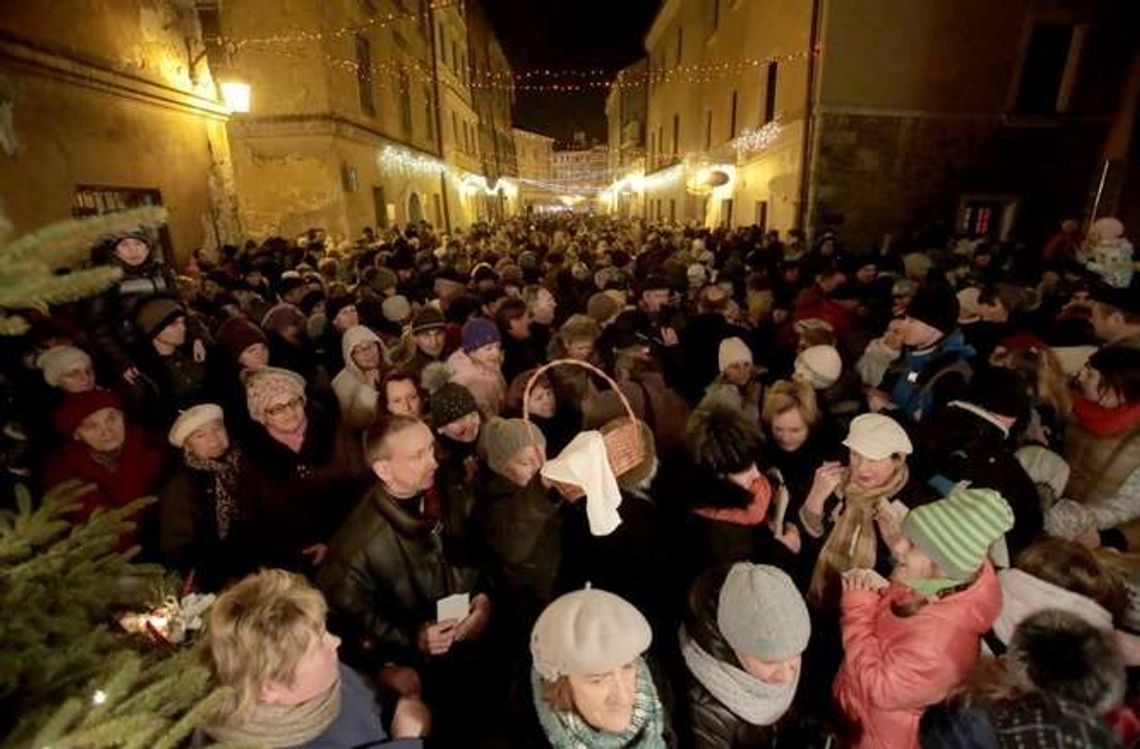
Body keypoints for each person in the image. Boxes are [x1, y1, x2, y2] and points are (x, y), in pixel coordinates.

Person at [316, 415, 491, 740]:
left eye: (430, 449)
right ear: (383, 470)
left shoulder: (448, 489)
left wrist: (481, 597)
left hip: (471, 653)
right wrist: (415, 637)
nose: (433, 462)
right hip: (424, 679)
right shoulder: (356, 548)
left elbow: (475, 552)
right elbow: (347, 628)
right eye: (417, 456)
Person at [833, 488, 1013, 749]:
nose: (898, 547)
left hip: (876, 736)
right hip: (857, 708)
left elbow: (880, 689)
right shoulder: (936, 587)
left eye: (913, 545)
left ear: (942, 567)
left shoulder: (937, 645)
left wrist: (858, 610)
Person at [202, 569, 428, 748]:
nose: (335, 641)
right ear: (269, 687)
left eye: (323, 631)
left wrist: (382, 675)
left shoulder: (300, 668)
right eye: (319, 643)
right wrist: (406, 740)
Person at [239, 367, 369, 572]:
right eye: (277, 409)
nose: (290, 413)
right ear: (261, 416)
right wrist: (294, 554)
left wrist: (331, 540)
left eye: (293, 403)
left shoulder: (334, 433)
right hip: (291, 562)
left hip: (349, 546)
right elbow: (255, 521)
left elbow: (362, 489)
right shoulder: (253, 457)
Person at [910, 366, 1043, 557]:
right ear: (1013, 416)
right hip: (953, 562)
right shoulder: (1009, 476)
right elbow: (1025, 536)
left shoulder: (921, 429)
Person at [681, 564, 812, 749]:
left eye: (795, 655)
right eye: (769, 661)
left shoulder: (784, 650)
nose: (788, 676)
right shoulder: (705, 711)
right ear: (735, 645)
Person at [524, 586, 673, 749]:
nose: (623, 697)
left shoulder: (660, 700)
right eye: (598, 680)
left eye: (628, 668)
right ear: (560, 685)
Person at [801, 413, 921, 609]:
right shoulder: (834, 481)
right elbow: (805, 547)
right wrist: (814, 500)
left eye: (873, 460)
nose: (861, 468)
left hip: (871, 611)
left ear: (897, 460)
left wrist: (895, 542)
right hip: (821, 597)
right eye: (855, 455)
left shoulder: (915, 505)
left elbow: (919, 584)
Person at [44, 388, 167, 548]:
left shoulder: (154, 449)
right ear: (77, 434)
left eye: (112, 419)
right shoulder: (63, 471)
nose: (107, 431)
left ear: (122, 417)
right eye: (92, 426)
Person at [158, 403, 245, 589]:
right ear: (188, 447)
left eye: (217, 429)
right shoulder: (182, 485)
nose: (214, 439)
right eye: (200, 435)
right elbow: (178, 546)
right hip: (212, 576)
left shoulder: (242, 462)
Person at [867, 282, 975, 424]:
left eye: (911, 321)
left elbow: (931, 436)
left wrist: (887, 412)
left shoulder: (952, 376)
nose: (903, 326)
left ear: (935, 328)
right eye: (905, 318)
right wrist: (878, 394)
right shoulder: (912, 355)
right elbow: (889, 383)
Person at [1065, 345, 1140, 504]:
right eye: (1084, 369)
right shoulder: (1077, 408)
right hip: (1062, 509)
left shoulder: (1135, 436)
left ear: (1117, 385)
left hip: (1104, 523)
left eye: (1090, 374)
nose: (1080, 377)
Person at [760, 380, 840, 526]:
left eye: (795, 430)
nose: (785, 438)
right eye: (778, 429)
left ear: (809, 425)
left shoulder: (828, 455)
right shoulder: (762, 450)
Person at [446, 318, 506, 418]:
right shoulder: (473, 381)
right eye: (488, 348)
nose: (496, 353)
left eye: (497, 346)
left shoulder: (485, 363)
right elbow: (490, 419)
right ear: (472, 351)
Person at [332, 325, 385, 430]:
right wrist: (368, 389)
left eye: (369, 346)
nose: (367, 354)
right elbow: (356, 423)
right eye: (358, 351)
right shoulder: (341, 384)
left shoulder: (390, 366)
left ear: (378, 346)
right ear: (350, 357)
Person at [699, 337, 762, 425]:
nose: (742, 371)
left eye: (746, 365)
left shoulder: (761, 389)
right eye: (735, 366)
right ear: (724, 371)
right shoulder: (714, 400)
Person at [400, 307, 448, 379]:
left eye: (438, 334)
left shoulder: (454, 360)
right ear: (415, 339)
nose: (434, 342)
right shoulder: (410, 374)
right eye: (426, 335)